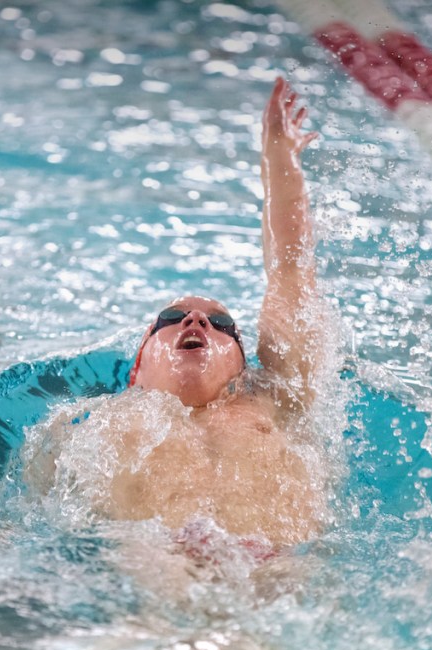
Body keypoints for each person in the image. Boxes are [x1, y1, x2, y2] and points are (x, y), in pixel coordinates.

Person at [25, 77, 331, 556]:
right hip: (156, 566)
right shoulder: (77, 425)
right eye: (173, 316)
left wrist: (278, 158)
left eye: (221, 323)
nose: (197, 322)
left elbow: (291, 271)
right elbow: (22, 519)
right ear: (137, 364)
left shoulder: (272, 398)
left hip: (275, 567)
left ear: (244, 364)